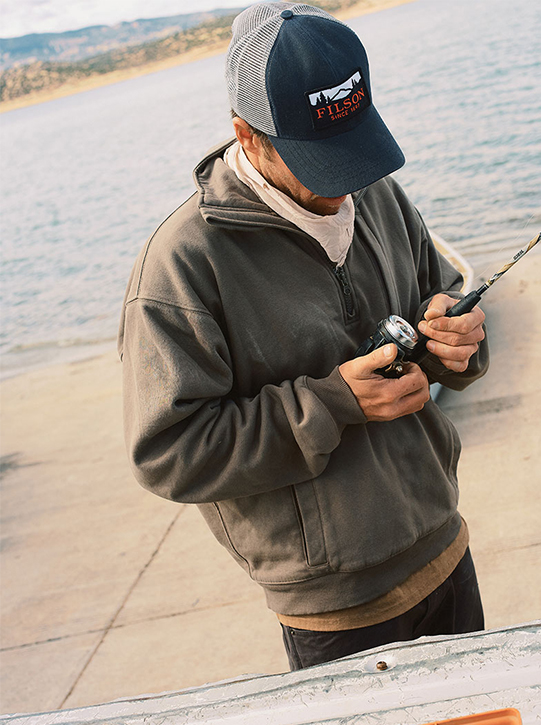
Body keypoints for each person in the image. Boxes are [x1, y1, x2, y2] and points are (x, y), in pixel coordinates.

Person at [118, 1, 489, 670]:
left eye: (355, 151)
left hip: (446, 547)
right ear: (248, 134)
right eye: (322, 165)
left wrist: (460, 344)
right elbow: (168, 453)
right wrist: (333, 403)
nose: (346, 188)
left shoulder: (378, 193)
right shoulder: (182, 264)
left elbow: (438, 312)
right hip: (337, 610)